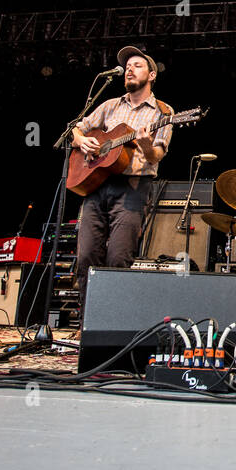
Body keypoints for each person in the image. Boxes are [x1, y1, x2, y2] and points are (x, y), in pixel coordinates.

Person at [72, 46, 174, 315]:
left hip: (132, 189)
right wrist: (82, 141)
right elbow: (75, 129)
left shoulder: (162, 112)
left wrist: (145, 144)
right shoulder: (110, 105)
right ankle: (87, 321)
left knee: (118, 258)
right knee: (85, 257)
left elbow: (156, 156)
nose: (129, 69)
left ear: (151, 75)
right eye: (127, 66)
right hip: (97, 185)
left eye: (137, 65)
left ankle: (112, 321)